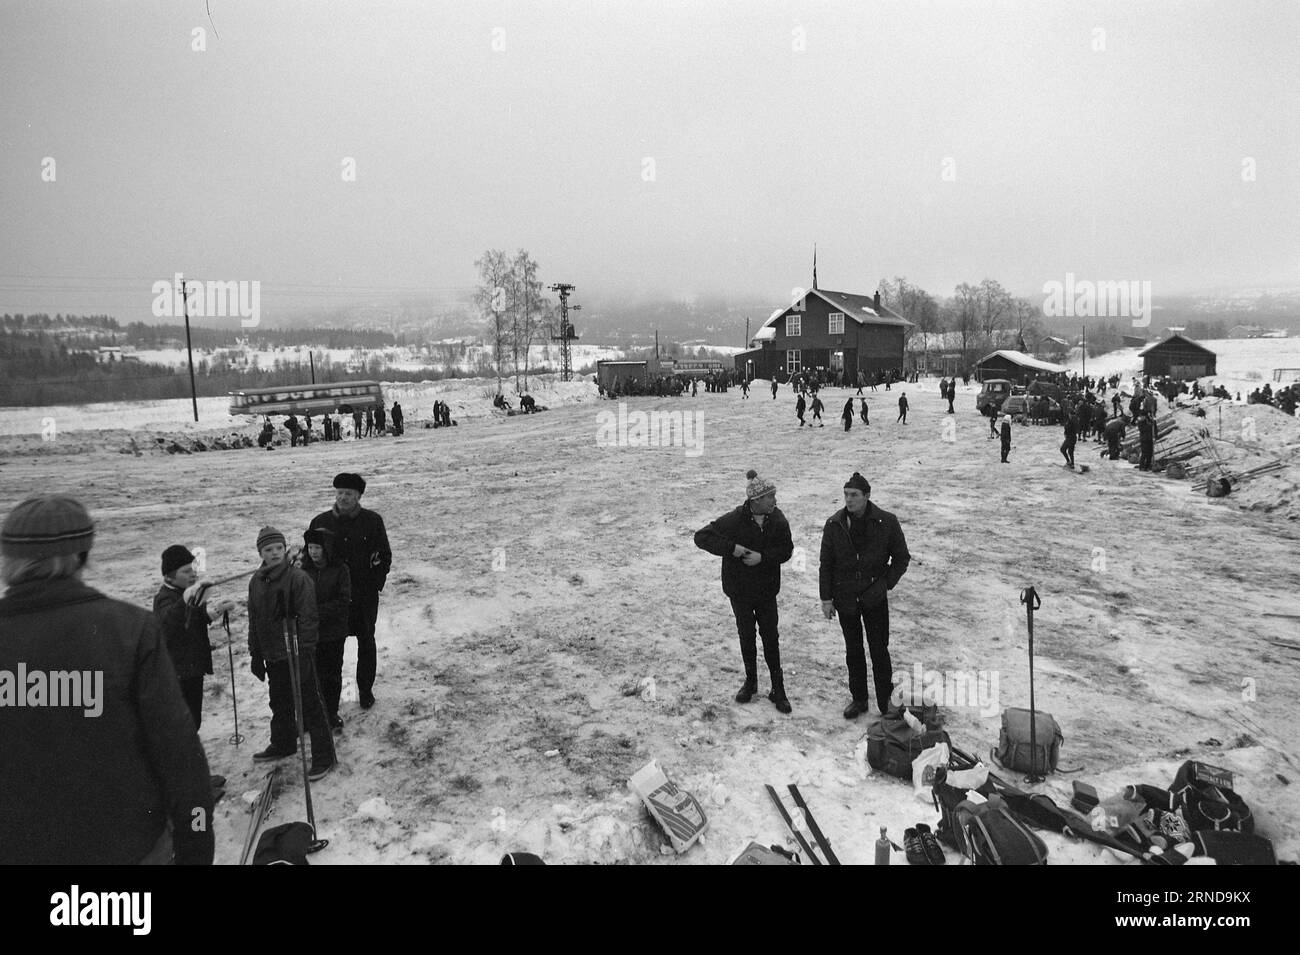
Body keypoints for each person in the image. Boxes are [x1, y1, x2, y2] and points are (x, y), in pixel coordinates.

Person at [0, 496, 215, 864]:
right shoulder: (129, 630)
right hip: (128, 848)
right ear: (82, 556)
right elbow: (179, 753)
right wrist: (195, 839)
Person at [693, 470, 794, 713]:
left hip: (767, 591)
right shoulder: (734, 520)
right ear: (756, 500)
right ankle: (750, 682)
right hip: (739, 591)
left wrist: (763, 557)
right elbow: (701, 537)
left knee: (771, 637)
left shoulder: (778, 520)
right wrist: (733, 549)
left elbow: (787, 551)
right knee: (746, 636)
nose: (775, 501)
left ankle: (778, 688)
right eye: (770, 497)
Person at [246, 526, 336, 779]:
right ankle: (283, 743)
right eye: (268, 550)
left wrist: (305, 651)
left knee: (310, 705)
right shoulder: (257, 580)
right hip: (273, 653)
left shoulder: (298, 578)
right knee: (280, 701)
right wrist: (256, 652)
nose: (274, 553)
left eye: (278, 548)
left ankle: (324, 756)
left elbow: (309, 617)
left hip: (296, 651)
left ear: (285, 549)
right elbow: (254, 618)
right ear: (260, 552)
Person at [819, 474, 910, 719]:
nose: (849, 500)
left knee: (879, 650)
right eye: (846, 494)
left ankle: (886, 703)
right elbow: (826, 564)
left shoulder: (886, 522)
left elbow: (901, 558)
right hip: (845, 597)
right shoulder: (834, 523)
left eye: (854, 495)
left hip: (874, 597)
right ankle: (859, 699)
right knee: (853, 650)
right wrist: (826, 599)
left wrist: (884, 585)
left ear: (867, 496)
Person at [308, 473, 392, 710]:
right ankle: (329, 697)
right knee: (331, 647)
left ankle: (365, 690)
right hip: (332, 599)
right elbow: (310, 558)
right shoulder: (320, 522)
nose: (343, 498)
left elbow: (384, 556)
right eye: (340, 493)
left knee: (366, 641)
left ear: (358, 496)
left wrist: (374, 582)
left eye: (349, 494)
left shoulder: (372, 521)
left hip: (363, 596)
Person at [153, 545, 237, 731]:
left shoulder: (191, 591)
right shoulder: (164, 598)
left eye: (193, 568)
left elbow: (193, 621)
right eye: (185, 571)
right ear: (169, 576)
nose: (192, 574)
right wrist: (186, 600)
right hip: (177, 670)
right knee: (182, 722)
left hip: (194, 667)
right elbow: (168, 624)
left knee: (194, 719)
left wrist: (216, 611)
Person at [301, 527, 351, 733]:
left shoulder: (340, 570)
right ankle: (309, 716)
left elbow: (343, 600)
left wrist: (314, 611)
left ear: (327, 549)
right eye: (310, 547)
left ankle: (330, 712)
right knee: (310, 675)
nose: (313, 552)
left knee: (331, 673)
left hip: (333, 632)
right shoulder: (303, 570)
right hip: (309, 632)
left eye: (317, 548)